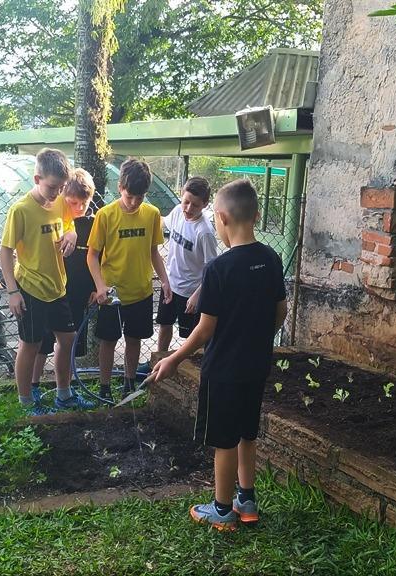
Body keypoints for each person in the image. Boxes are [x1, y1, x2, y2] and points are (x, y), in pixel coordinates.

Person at [149, 179, 287, 531]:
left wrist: (173, 358)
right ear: (256, 215)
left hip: (223, 370)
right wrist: (257, 336)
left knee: (223, 440)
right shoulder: (271, 259)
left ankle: (223, 509)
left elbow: (205, 329)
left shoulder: (219, 269)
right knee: (246, 434)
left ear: (221, 218)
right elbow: (281, 311)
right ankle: (247, 499)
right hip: (256, 366)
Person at [0, 148, 93, 415]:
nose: (57, 193)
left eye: (61, 188)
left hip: (57, 287)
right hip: (30, 288)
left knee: (68, 338)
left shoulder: (61, 201)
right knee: (30, 344)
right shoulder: (21, 210)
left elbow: (68, 224)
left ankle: (63, 394)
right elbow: (5, 251)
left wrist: (72, 234)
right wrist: (12, 291)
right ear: (37, 178)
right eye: (53, 187)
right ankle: (26, 402)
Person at [87, 158, 171, 402]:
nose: (134, 202)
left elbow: (154, 251)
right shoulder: (105, 215)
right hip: (112, 294)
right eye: (130, 195)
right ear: (120, 187)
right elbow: (92, 255)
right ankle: (104, 387)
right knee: (108, 340)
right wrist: (100, 285)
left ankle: (128, 383)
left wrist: (164, 281)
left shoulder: (152, 214)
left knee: (134, 339)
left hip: (141, 291)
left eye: (140, 196)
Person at [31, 168, 102, 403]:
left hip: (78, 293)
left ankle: (66, 390)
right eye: (73, 202)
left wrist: (96, 286)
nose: (79, 208)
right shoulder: (52, 218)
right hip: (49, 289)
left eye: (84, 203)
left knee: (69, 342)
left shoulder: (92, 224)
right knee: (41, 342)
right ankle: (34, 387)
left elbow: (97, 257)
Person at [156, 176, 218, 353]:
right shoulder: (177, 212)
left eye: (195, 205)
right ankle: (159, 360)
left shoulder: (205, 232)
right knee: (164, 325)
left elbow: (212, 269)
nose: (188, 208)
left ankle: (188, 367)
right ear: (181, 197)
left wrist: (198, 295)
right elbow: (161, 222)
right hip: (170, 284)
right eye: (186, 202)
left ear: (205, 205)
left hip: (191, 292)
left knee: (191, 336)